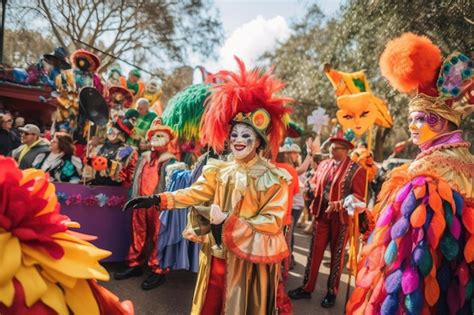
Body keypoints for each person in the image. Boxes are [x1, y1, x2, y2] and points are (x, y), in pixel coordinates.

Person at [123, 57, 293, 314]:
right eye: (234, 134)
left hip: (248, 263)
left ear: (259, 142)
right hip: (215, 255)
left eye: (246, 135)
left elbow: (272, 221)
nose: (237, 140)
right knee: (209, 304)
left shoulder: (274, 178)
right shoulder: (219, 168)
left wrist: (229, 222)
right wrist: (160, 200)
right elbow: (196, 192)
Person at [346, 33, 474, 314]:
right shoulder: (464, 163)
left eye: (420, 119)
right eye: (410, 120)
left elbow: (408, 255)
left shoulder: (426, 175)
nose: (413, 127)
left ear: (441, 121)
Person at [288, 130, 367, 308]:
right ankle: (307, 288)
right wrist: (309, 190)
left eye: (336, 148)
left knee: (336, 257)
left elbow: (359, 198)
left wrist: (338, 204)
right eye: (331, 147)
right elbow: (315, 182)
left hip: (340, 220)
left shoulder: (356, 170)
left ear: (346, 150)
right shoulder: (324, 164)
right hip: (321, 215)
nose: (332, 150)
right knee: (314, 253)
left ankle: (332, 293)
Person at [114, 121, 177, 290]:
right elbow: (135, 178)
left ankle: (158, 269)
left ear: (168, 139)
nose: (156, 138)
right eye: (153, 135)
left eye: (160, 135)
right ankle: (134, 264)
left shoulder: (170, 161)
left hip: (159, 204)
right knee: (138, 232)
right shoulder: (144, 157)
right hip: (140, 201)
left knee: (159, 236)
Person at [85, 117, 138, 186]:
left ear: (121, 135)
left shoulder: (127, 150)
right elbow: (95, 167)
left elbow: (124, 173)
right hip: (97, 185)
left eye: (113, 132)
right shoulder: (103, 145)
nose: (110, 133)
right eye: (110, 131)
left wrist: (109, 163)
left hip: (114, 189)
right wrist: (89, 162)